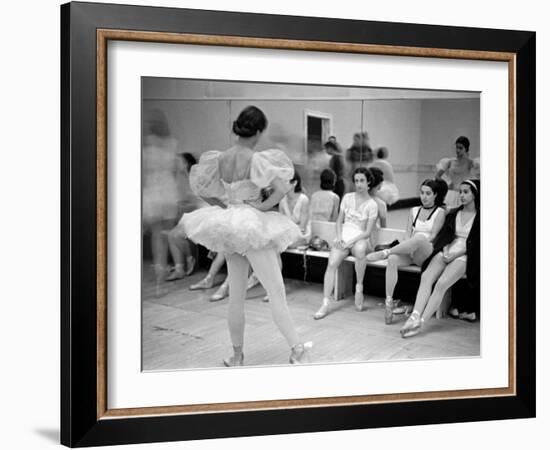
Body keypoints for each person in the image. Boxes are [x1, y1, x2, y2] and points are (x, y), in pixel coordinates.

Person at [181, 105, 310, 365]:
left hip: (231, 223)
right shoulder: (255, 158)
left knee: (236, 294)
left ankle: (237, 355)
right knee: (276, 290)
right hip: (250, 224)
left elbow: (200, 187)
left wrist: (223, 206)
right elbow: (282, 187)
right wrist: (261, 207)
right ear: (259, 131)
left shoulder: (221, 157)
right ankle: (297, 349)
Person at [400, 179, 480, 338]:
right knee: (426, 277)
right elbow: (445, 236)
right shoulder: (454, 213)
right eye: (460, 192)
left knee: (442, 284)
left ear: (475, 195)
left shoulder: (481, 217)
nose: (462, 195)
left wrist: (455, 254)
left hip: (465, 255)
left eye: (466, 192)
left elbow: (475, 244)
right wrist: (444, 250)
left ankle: (421, 322)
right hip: (448, 249)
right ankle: (414, 315)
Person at [367, 179, 448, 324]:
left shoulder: (440, 212)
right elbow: (406, 235)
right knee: (393, 260)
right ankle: (389, 302)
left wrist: (414, 243)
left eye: (428, 193)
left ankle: (385, 252)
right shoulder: (413, 210)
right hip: (411, 251)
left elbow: (434, 237)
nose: (424, 196)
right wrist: (407, 247)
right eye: (422, 193)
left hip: (426, 253)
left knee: (419, 238)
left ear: (435, 195)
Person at [313, 167, 379, 319]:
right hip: (344, 235)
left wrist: (350, 241)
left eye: (362, 180)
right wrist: (340, 237)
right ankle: (325, 303)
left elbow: (367, 232)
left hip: (360, 237)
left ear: (369, 182)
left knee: (361, 250)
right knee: (332, 262)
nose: (359, 184)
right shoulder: (347, 198)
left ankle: (359, 288)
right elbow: (338, 221)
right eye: (356, 181)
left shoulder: (372, 204)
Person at [142, 109, 180, 294]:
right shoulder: (172, 144)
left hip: (152, 193)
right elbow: (174, 171)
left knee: (155, 238)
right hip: (168, 192)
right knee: (163, 239)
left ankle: (158, 280)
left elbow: (142, 174)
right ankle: (160, 284)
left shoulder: (147, 146)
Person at [165, 152, 206, 281]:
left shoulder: (197, 176)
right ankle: (183, 264)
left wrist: (184, 206)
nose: (176, 165)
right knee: (172, 233)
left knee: (174, 234)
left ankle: (185, 262)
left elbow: (201, 199)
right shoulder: (184, 178)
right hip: (195, 212)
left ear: (186, 163)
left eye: (179, 162)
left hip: (204, 212)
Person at [435, 136, 477, 207]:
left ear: (466, 149)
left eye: (460, 148)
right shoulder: (449, 162)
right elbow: (437, 176)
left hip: (464, 195)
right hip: (451, 194)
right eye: (457, 147)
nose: (457, 150)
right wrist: (446, 184)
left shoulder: (471, 163)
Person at [278, 171, 311, 247]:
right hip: (287, 234)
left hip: (302, 235)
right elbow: (281, 224)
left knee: (285, 245)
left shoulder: (304, 199)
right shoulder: (282, 201)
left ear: (294, 183)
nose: (282, 184)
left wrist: (289, 238)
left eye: (285, 181)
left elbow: (302, 227)